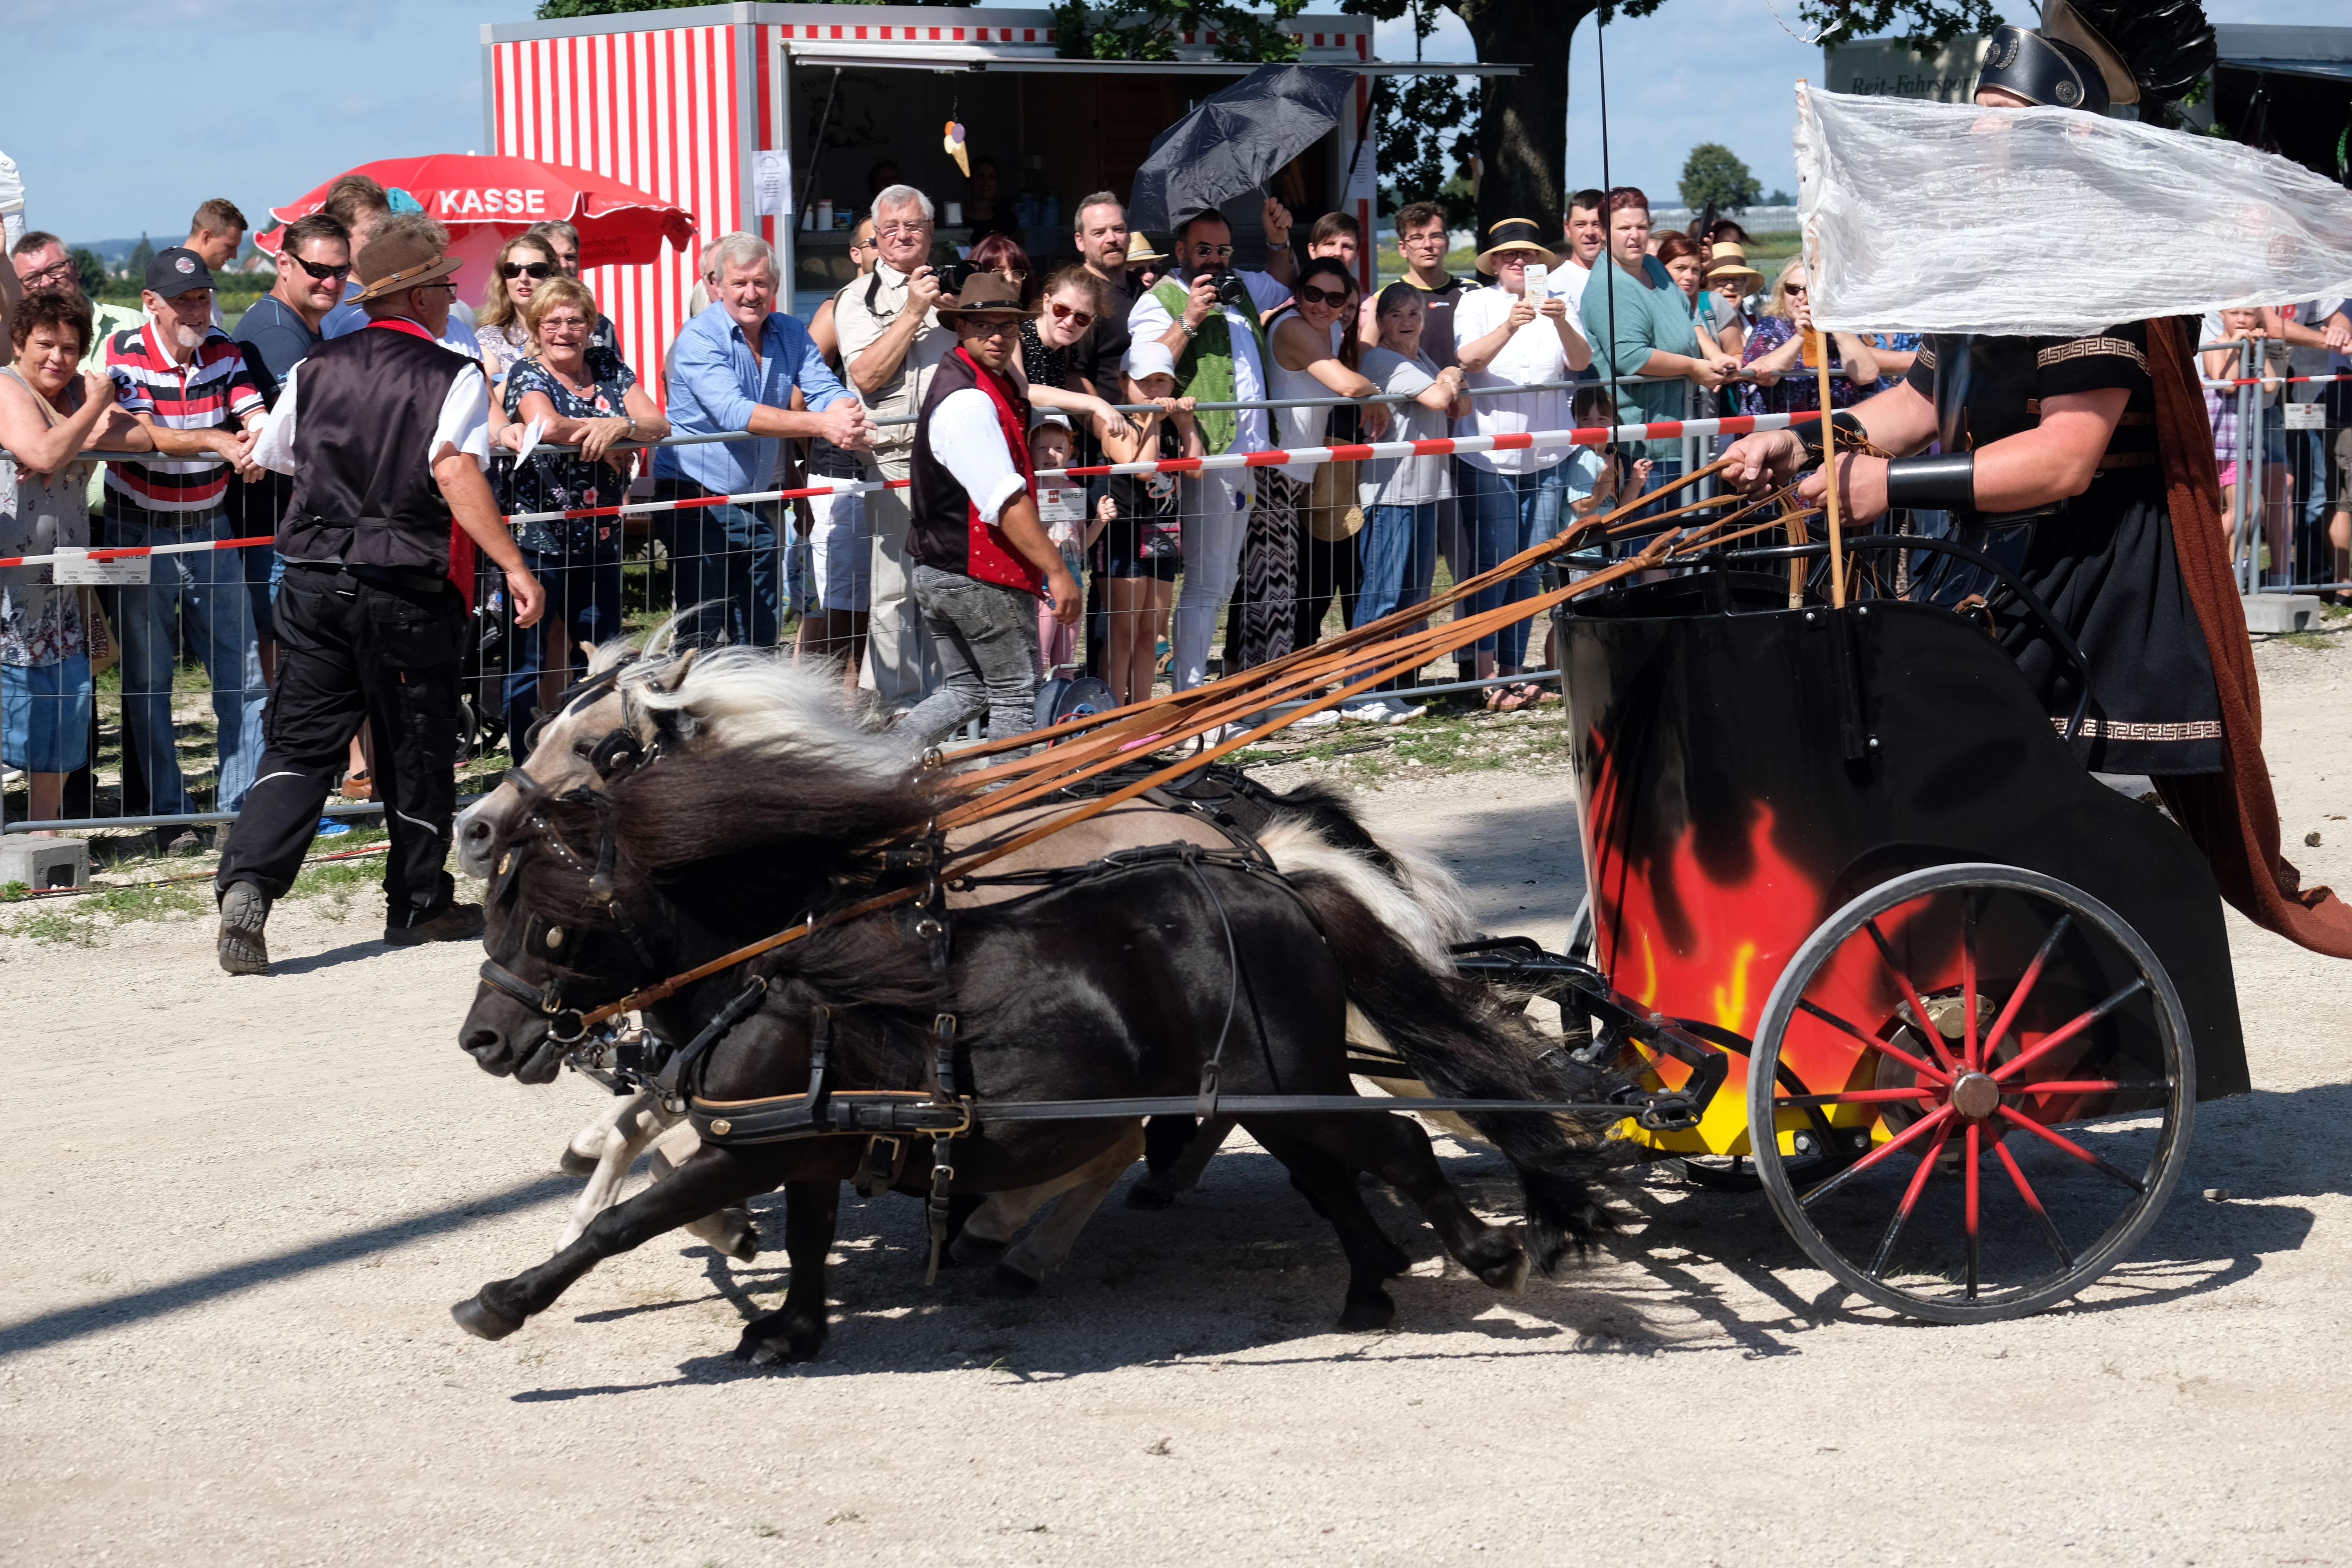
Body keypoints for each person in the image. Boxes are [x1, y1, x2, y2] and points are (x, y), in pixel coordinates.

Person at [1722, 12, 2215, 779]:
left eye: (2005, 117)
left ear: (2071, 135)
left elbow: (2065, 458)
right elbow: (1921, 404)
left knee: (2016, 809)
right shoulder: (1988, 262)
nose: (1979, 134)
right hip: (2003, 567)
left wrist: (1885, 483)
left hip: (2088, 585)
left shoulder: (2092, 262)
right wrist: (1806, 442)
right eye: (1979, 114)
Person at [213, 215, 547, 973]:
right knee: (416, 745)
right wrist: (515, 566)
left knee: (300, 744)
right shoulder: (450, 374)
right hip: (402, 582)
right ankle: (418, 904)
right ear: (423, 295)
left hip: (312, 575)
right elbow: (456, 472)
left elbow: (273, 453)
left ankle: (250, 886)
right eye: (445, 285)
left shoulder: (318, 366)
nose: (451, 295)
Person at [103, 246, 272, 849]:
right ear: (150, 303)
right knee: (149, 683)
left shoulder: (224, 351)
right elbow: (143, 436)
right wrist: (221, 442)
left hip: (210, 525)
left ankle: (242, 812)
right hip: (138, 529)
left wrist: (253, 439)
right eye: (182, 301)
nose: (196, 309)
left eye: (202, 296)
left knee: (245, 674)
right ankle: (172, 816)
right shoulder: (123, 351)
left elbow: (255, 414)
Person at [656, 231, 871, 650]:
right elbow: (736, 414)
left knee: (760, 631)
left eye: (761, 283)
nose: (751, 293)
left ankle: (751, 714)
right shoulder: (698, 337)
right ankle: (688, 715)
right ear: (717, 285)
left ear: (775, 285)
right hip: (700, 502)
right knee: (701, 631)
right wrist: (824, 425)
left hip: (763, 499)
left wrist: (847, 411)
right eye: (740, 283)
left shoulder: (790, 330)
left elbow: (824, 386)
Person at [897, 272, 1080, 751]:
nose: (997, 336)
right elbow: (1006, 502)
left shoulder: (978, 383)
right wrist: (1058, 572)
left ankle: (879, 765)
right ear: (961, 328)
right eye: (984, 326)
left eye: (1007, 326)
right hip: (974, 573)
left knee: (969, 690)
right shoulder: (969, 400)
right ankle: (1007, 803)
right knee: (1018, 694)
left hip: (942, 569)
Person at [1127, 200, 1300, 692]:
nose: (1215, 259)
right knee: (1206, 582)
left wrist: (1277, 239)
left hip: (1250, 452)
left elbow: (1285, 282)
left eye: (1223, 249)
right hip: (1205, 454)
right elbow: (1146, 375)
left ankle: (1195, 686)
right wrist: (1190, 317)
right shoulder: (1158, 299)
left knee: (1222, 581)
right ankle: (1189, 691)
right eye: (1204, 249)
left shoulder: (1239, 286)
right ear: (1180, 250)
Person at [492, 277, 666, 753]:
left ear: (591, 325)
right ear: (536, 326)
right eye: (553, 322)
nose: (564, 331)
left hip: (601, 535)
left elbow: (658, 423)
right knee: (527, 659)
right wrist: (607, 431)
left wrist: (623, 426)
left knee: (602, 654)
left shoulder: (608, 363)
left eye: (575, 321)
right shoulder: (529, 374)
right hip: (538, 539)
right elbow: (546, 424)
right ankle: (527, 761)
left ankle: (604, 751)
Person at [0, 292, 148, 833]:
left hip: (64, 583)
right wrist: (93, 408)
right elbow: (40, 454)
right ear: (19, 343)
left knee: (64, 714)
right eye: (46, 344)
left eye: (69, 348)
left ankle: (45, 836)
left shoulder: (71, 401)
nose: (58, 358)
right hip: (8, 597)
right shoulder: (6, 387)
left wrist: (217, 441)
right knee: (12, 715)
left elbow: (140, 437)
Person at [1455, 219, 1593, 710]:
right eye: (1510, 256)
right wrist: (1511, 324)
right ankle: (1486, 674)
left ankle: (1515, 671)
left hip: (1548, 454)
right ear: (1494, 264)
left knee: (1530, 567)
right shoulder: (1477, 302)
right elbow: (1469, 358)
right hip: (1490, 455)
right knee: (1495, 566)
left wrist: (1557, 320)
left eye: (1530, 256)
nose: (1520, 262)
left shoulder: (1562, 300)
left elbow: (1580, 362)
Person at [838, 184, 957, 710]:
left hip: (957, 458)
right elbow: (864, 375)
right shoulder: (858, 299)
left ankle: (951, 700)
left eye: (913, 227)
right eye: (891, 229)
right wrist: (913, 313)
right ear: (876, 237)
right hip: (895, 460)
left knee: (952, 585)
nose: (903, 236)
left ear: (931, 234)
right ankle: (897, 708)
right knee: (895, 590)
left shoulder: (958, 290)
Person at [1248, 256, 1377, 671]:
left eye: (1335, 298)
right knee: (1274, 586)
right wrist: (1377, 394)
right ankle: (1276, 691)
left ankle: (1262, 687)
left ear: (1348, 303)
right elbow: (1347, 383)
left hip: (1293, 471)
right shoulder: (1294, 327)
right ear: (1298, 292)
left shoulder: (1329, 329)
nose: (1322, 305)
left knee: (1275, 584)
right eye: (1313, 294)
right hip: (1275, 471)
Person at [1581, 189, 1740, 519]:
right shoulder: (1609, 286)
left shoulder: (1654, 266)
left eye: (1641, 227)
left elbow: (1689, 319)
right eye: (1624, 229)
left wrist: (1713, 355)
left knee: (1689, 543)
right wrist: (1694, 368)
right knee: (1648, 547)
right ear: (1604, 233)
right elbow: (1631, 357)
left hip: (1684, 435)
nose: (1635, 236)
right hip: (1642, 445)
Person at [1350, 281, 1467, 722]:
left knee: (1409, 600)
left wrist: (1451, 376)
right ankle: (1360, 691)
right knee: (1381, 596)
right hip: (1392, 493)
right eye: (1395, 315)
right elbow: (1443, 397)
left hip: (1425, 489)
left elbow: (1462, 408)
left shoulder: (1421, 359)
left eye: (1413, 314)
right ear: (1379, 322)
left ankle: (1390, 687)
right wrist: (1454, 375)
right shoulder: (1381, 359)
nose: (1405, 322)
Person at [800, 216, 879, 681]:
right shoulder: (836, 310)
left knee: (870, 614)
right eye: (875, 240)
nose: (886, 248)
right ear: (855, 254)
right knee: (836, 614)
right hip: (838, 475)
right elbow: (796, 392)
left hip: (881, 475)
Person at [1096, 341, 1196, 707]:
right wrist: (1153, 422)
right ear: (1124, 383)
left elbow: (1195, 468)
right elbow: (1141, 470)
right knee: (1122, 633)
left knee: (1150, 632)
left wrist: (1185, 427)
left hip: (1163, 533)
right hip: (1123, 533)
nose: (1155, 390)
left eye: (1162, 381)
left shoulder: (1169, 423)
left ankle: (1140, 710)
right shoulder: (1114, 423)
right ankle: (1111, 714)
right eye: (1145, 381)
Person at [2202, 306, 2292, 580]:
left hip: (2242, 443)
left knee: (2245, 506)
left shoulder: (2251, 348)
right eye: (2234, 314)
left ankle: (2211, 556)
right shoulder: (2213, 346)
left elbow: (2268, 386)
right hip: (2218, 440)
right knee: (2229, 506)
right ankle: (2203, 553)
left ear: (2258, 319)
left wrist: (2258, 347)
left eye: (2249, 314)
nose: (2241, 320)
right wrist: (2239, 345)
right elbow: (2226, 382)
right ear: (2222, 317)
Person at [1738, 258, 1880, 418]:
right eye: (1793, 289)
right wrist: (1800, 336)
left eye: (1809, 290)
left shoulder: (1840, 331)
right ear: (1782, 293)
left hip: (1836, 432)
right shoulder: (1771, 326)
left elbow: (1867, 375)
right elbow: (1763, 374)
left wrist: (1833, 323)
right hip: (1781, 432)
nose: (1800, 296)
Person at [473, 234, 558, 387]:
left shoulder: (573, 331)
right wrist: (526, 365)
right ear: (504, 279)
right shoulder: (492, 340)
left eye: (536, 270)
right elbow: (486, 402)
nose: (523, 278)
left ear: (553, 277)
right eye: (513, 270)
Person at [522, 220, 619, 353]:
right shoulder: (513, 325)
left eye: (570, 257)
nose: (564, 265)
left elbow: (617, 373)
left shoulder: (602, 326)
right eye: (554, 258)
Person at [1073, 193, 1135, 399]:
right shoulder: (1079, 298)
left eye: (1119, 230)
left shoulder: (1141, 290)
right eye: (1099, 233)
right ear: (1080, 241)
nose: (1112, 239)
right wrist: (1106, 430)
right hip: (1113, 426)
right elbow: (1073, 377)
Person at [1654, 234, 1722, 359]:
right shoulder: (1650, 306)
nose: (1690, 276)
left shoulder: (1685, 309)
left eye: (1696, 270)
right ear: (1660, 268)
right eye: (1680, 268)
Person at [1696, 241, 1762, 363]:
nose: (1731, 286)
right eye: (1722, 280)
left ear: (1746, 286)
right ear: (1707, 285)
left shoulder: (1756, 324)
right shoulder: (1700, 323)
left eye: (1737, 280)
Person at [968, 230, 1036, 309]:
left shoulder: (1034, 320)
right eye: (999, 271)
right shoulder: (960, 318)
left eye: (1017, 272)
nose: (1010, 279)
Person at [964, 157, 1017, 246]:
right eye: (980, 176)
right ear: (970, 180)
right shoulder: (956, 219)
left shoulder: (1007, 219)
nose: (986, 182)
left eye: (992, 177)